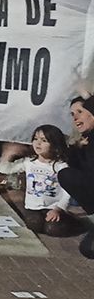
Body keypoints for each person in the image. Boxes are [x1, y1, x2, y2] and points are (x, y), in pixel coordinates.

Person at [0, 125, 81, 237]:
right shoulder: (29, 162)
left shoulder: (60, 166)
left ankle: (74, 222)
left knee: (53, 229)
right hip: (33, 208)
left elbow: (68, 191)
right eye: (35, 139)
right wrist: (7, 155)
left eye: (44, 140)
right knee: (33, 224)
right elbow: (5, 169)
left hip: (54, 207)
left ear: (55, 145)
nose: (38, 143)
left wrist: (58, 209)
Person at [58, 96, 94, 258]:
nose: (75, 118)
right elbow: (75, 171)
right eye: (72, 114)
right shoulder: (86, 140)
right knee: (87, 250)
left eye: (80, 112)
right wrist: (76, 148)